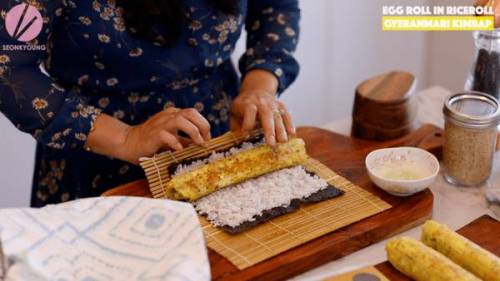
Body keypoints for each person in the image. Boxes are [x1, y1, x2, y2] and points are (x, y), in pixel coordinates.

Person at [0, 0, 300, 207]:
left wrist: (258, 89)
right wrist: (124, 137)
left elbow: (275, 8)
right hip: (95, 150)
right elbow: (8, 66)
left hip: (215, 133)